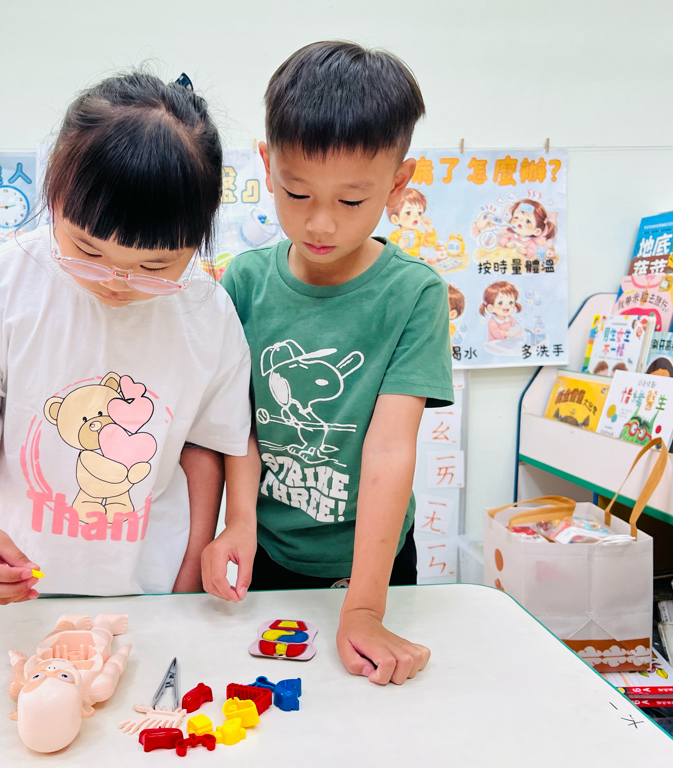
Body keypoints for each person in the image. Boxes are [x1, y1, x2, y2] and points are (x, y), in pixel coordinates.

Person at [0, 72, 252, 603]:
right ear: (55, 194)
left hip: (147, 590)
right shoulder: (1, 287)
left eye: (154, 266)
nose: (117, 282)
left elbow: (204, 447)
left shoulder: (207, 313)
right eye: (88, 252)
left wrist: (188, 571)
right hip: (9, 589)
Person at [203, 41, 454, 686]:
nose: (319, 224)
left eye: (350, 202)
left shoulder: (414, 294)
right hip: (265, 548)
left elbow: (390, 449)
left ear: (397, 184)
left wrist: (365, 608)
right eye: (296, 192)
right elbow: (237, 424)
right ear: (268, 166)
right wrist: (237, 523)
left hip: (371, 563)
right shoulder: (245, 282)